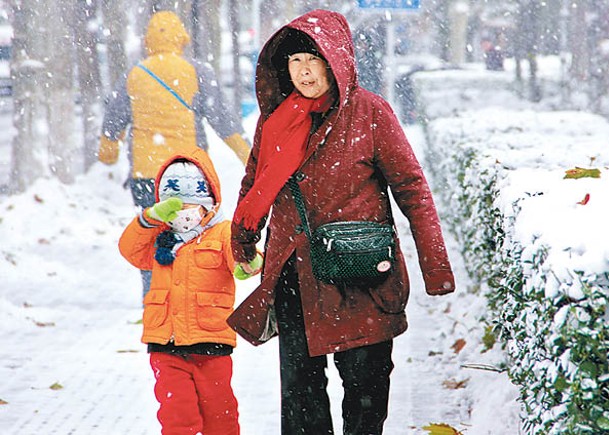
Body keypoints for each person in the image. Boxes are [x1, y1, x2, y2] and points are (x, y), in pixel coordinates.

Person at [228, 9, 456, 435]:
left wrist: (436, 267)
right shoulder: (276, 120)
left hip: (360, 273)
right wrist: (242, 236)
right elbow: (254, 181)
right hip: (295, 274)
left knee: (366, 389)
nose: (304, 70)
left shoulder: (370, 112)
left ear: (337, 60)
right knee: (300, 395)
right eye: (294, 61)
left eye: (314, 59)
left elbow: (412, 189)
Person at [98, 10, 251, 299]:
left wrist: (108, 150)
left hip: (146, 174)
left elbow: (113, 121)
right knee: (194, 233)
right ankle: (191, 292)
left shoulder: (134, 74)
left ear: (147, 41)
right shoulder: (196, 71)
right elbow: (223, 119)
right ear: (183, 38)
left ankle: (155, 295)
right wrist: (247, 155)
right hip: (189, 171)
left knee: (152, 234)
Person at [118, 146, 243, 435]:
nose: (184, 215)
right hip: (167, 345)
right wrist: (150, 217)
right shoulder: (159, 238)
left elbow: (242, 258)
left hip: (211, 344)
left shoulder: (222, 233)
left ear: (209, 204)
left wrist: (247, 263)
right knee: (178, 418)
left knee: (221, 417)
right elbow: (129, 250)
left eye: (192, 208)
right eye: (177, 208)